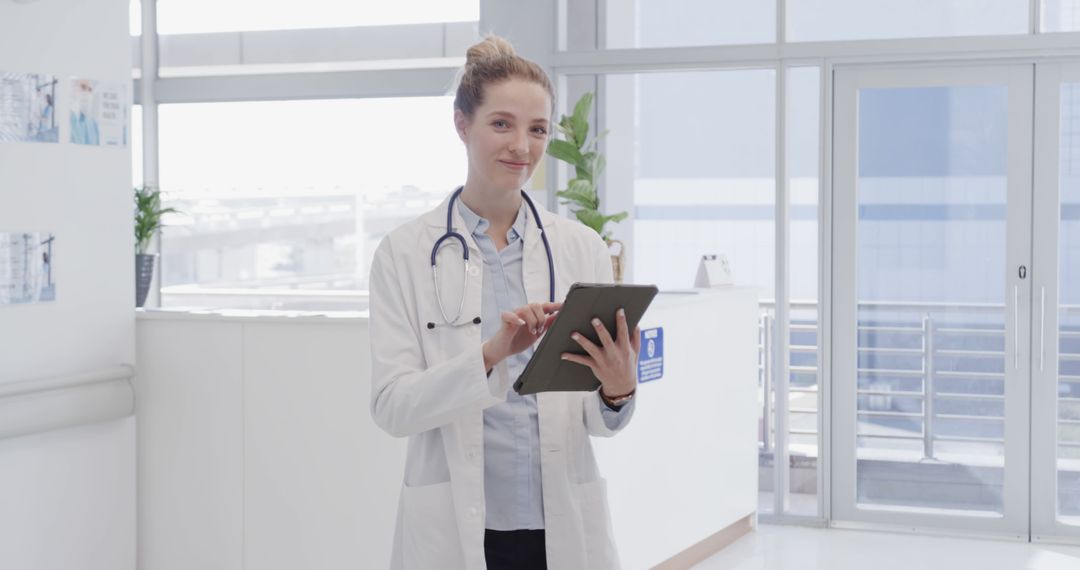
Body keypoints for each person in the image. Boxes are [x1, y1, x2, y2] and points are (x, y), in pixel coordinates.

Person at [369, 36, 640, 570]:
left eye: (537, 129)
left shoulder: (579, 246)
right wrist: (489, 355)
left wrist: (618, 389)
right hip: (456, 525)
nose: (522, 145)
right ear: (461, 124)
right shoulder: (403, 253)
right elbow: (392, 408)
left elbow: (594, 417)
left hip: (558, 522)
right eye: (502, 123)